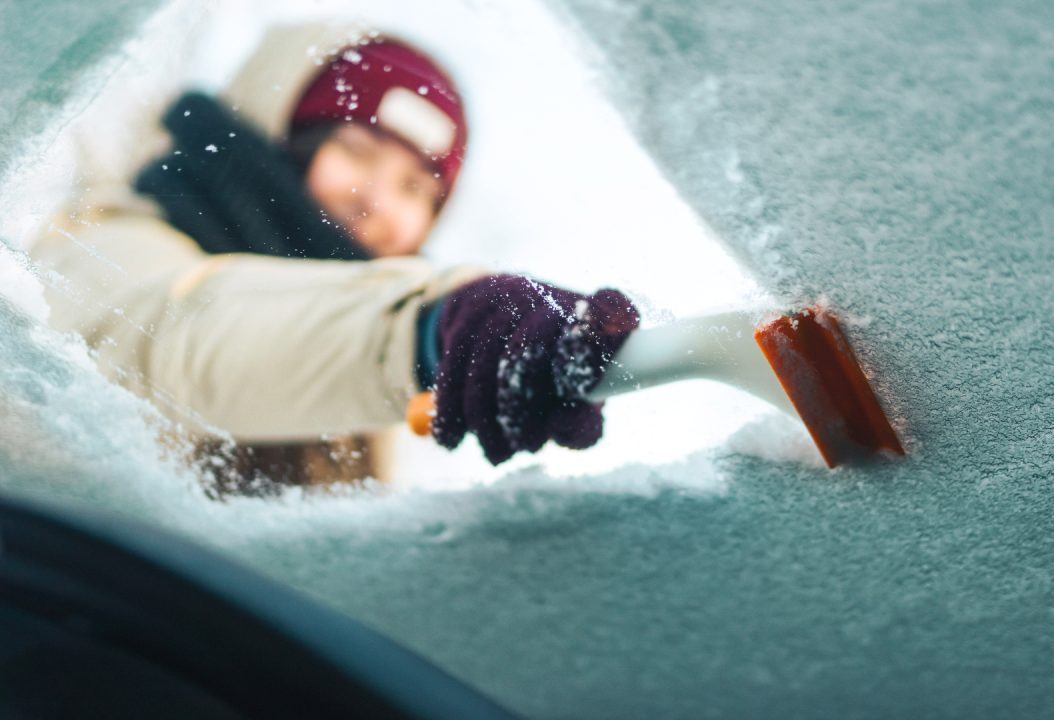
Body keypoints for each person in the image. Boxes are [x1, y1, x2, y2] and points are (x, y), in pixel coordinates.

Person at [27, 23, 638, 490]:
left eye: (415, 189)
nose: (377, 200)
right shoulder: (103, 243)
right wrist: (427, 332)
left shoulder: (388, 401)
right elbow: (182, 339)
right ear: (279, 136)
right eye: (356, 150)